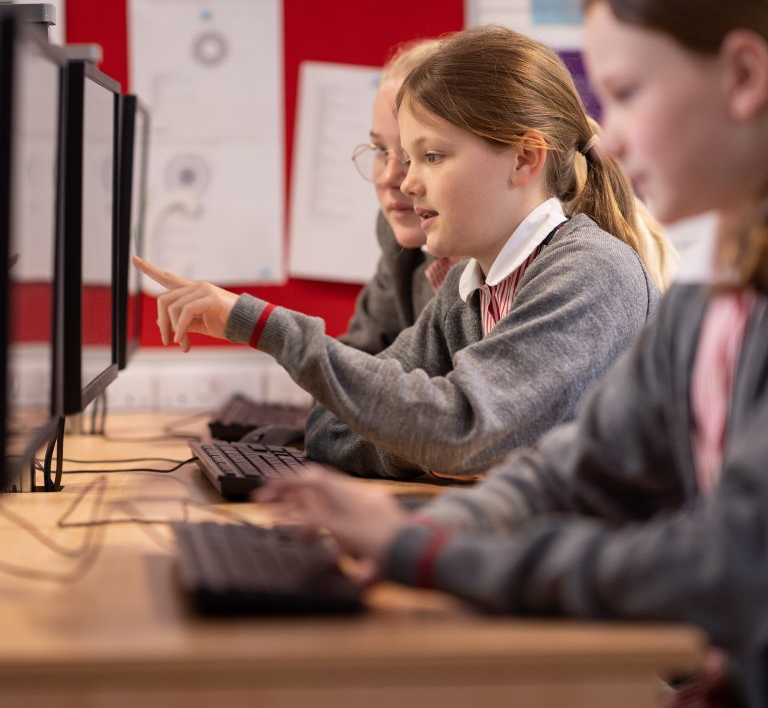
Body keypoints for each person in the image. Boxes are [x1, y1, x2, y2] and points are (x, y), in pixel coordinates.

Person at [257, 0, 768, 703]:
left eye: (628, 93)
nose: (612, 136)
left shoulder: (622, 276)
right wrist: (427, 531)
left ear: (744, 77)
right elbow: (574, 474)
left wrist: (430, 556)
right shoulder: (710, 298)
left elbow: (721, 565)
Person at [135, 24, 665, 480]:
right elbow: (334, 425)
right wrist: (435, 451)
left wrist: (262, 324)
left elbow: (460, 426)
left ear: (524, 159)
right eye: (402, 157)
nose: (406, 181)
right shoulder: (467, 292)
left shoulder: (590, 273)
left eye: (431, 156)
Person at [341, 38, 455, 355]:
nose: (391, 178)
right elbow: (354, 364)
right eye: (380, 150)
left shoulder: (530, 270)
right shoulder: (399, 240)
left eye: (419, 154)